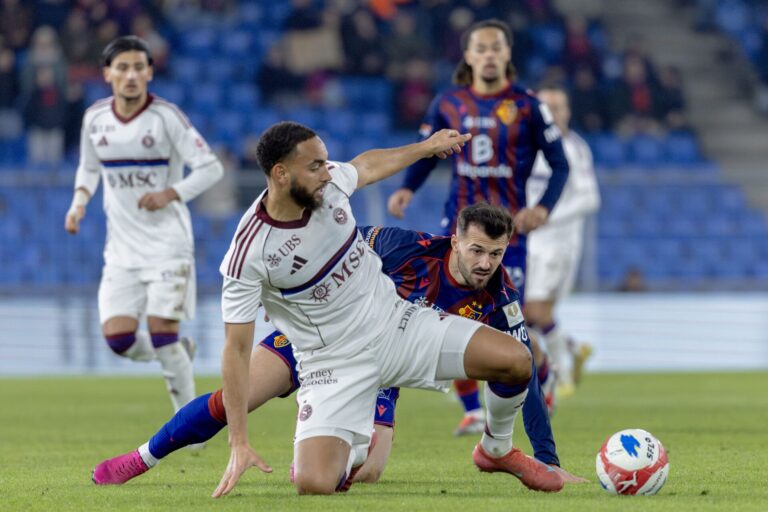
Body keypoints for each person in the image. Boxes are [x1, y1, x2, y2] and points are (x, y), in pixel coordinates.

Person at [95, 121, 565, 496]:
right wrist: (239, 441)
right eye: (316, 165)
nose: (329, 171)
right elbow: (235, 351)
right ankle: (141, 458)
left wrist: (425, 148)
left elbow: (367, 164)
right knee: (312, 482)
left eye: (325, 162)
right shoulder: (249, 253)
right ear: (281, 174)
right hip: (325, 358)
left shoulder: (329, 187)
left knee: (515, 361)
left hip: (396, 325)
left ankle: (496, 450)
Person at [387, 19, 570, 434]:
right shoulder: (447, 103)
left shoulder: (527, 104)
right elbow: (428, 153)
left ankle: (542, 369)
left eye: (496, 48)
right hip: (458, 231)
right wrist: (407, 189)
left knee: (506, 323)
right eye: (481, 49)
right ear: (468, 56)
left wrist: (542, 208)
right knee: (446, 316)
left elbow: (561, 163)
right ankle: (472, 408)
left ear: (507, 54)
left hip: (509, 237)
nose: (489, 55)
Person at [64, 36, 223, 413]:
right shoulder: (95, 119)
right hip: (120, 250)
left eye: (138, 67)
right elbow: (88, 167)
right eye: (122, 68)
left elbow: (211, 167)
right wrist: (78, 203)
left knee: (162, 332)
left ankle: (190, 430)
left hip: (168, 245)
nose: (131, 75)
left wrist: (170, 193)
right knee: (118, 339)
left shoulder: (166, 118)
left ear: (150, 72)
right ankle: (178, 353)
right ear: (107, 74)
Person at [524, 86, 601, 397]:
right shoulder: (530, 147)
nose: (554, 114)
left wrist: (546, 217)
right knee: (528, 313)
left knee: (534, 312)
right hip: (530, 240)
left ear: (568, 111)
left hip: (557, 244)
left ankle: (561, 373)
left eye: (559, 107)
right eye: (547, 107)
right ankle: (570, 349)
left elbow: (590, 198)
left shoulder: (573, 148)